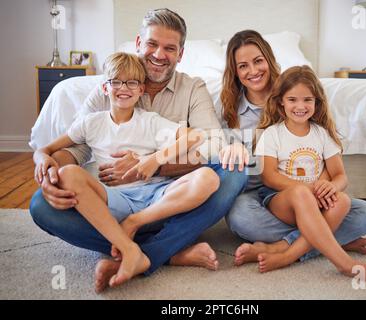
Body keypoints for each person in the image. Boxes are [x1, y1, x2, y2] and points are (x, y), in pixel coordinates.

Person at [29, 9, 247, 292]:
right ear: (138, 43)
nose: (159, 54)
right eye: (152, 44)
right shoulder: (107, 87)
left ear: (180, 54)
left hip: (171, 198)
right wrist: (53, 175)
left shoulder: (193, 88)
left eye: (169, 48)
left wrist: (154, 164)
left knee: (235, 171)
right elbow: (76, 146)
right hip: (112, 198)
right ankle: (167, 251)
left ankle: (142, 251)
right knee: (41, 205)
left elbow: (212, 144)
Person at [218, 30, 366, 267]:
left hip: (311, 190)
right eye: (243, 66)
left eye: (258, 61)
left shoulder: (297, 90)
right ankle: (328, 239)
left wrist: (319, 189)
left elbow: (327, 159)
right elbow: (262, 174)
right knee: (239, 217)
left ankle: (286, 247)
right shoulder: (229, 109)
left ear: (269, 59)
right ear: (235, 71)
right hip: (262, 196)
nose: (253, 71)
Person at [254, 65, 366, 284]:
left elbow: (340, 176)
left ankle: (287, 253)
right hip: (283, 201)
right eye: (292, 100)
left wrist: (333, 187)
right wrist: (310, 189)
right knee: (300, 194)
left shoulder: (322, 134)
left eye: (307, 100)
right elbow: (268, 177)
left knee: (343, 201)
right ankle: (346, 263)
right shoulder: (273, 134)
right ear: (280, 101)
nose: (300, 106)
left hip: (318, 202)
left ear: (317, 102)